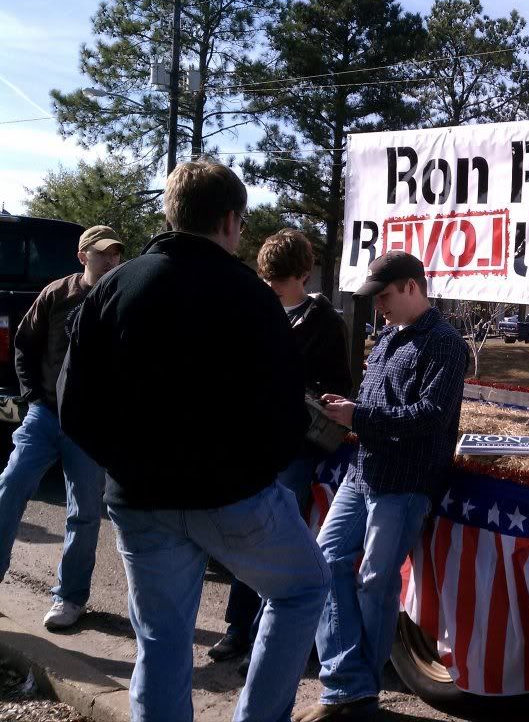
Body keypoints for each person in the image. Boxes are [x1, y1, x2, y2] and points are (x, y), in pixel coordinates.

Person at [58, 161, 330, 722]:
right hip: (235, 498)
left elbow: (74, 403)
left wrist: (126, 464)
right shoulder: (254, 299)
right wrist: (253, 471)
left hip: (139, 500)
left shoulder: (115, 286)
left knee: (160, 641)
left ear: (170, 212)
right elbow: (286, 409)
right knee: (303, 589)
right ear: (231, 221)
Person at [292, 251, 469, 722]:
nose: (379, 308)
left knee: (375, 583)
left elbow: (430, 417)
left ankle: (354, 696)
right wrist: (349, 407)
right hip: (364, 472)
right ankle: (349, 685)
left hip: (406, 482)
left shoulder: (446, 344)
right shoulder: (390, 335)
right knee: (325, 561)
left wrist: (358, 415)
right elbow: (381, 404)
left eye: (385, 296)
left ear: (413, 287)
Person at [209, 228, 353, 664]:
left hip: (296, 443)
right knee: (244, 533)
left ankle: (261, 635)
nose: (270, 287)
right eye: (266, 278)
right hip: (254, 441)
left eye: (278, 281)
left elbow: (340, 388)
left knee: (270, 535)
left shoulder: (326, 322)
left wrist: (301, 391)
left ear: (303, 276)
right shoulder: (254, 310)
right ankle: (239, 627)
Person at [0, 225, 122, 630]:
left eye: (115, 254)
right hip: (45, 415)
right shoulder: (57, 293)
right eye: (102, 253)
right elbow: (24, 343)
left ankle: (69, 599)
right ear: (82, 255)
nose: (110, 261)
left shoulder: (121, 298)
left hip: (89, 427)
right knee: (10, 487)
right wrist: (32, 395)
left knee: (85, 512)